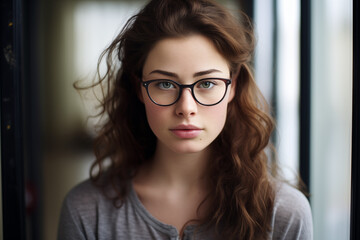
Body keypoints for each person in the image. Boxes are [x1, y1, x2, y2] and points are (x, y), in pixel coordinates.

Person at [58, 0, 313, 239]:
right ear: (140, 89)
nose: (186, 108)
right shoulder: (87, 211)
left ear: (232, 87)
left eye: (207, 83)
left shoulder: (282, 213)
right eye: (165, 83)